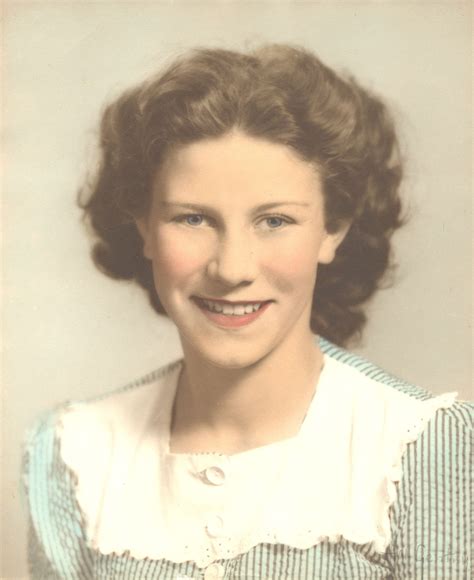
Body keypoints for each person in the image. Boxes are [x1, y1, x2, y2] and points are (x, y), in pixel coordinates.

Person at [22, 44, 472, 580]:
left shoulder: (421, 449)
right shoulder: (75, 455)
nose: (232, 268)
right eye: (192, 219)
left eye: (275, 221)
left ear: (332, 229)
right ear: (144, 227)